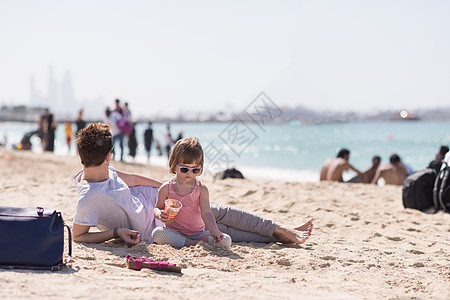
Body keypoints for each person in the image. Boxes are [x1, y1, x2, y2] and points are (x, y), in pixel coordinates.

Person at [72, 123, 313, 246]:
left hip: (168, 201)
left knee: (222, 212)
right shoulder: (88, 197)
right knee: (228, 232)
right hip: (161, 224)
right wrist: (115, 233)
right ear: (108, 155)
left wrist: (170, 188)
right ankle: (277, 236)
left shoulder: (105, 170)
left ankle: (280, 229)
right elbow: (78, 236)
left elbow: (134, 180)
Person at [152, 137, 232, 248]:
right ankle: (193, 244)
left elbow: (207, 213)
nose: (190, 173)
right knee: (157, 233)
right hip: (175, 232)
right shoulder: (166, 188)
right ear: (174, 164)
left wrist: (214, 231)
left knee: (226, 240)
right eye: (184, 169)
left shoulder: (201, 189)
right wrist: (160, 214)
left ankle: (188, 243)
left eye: (195, 170)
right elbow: (157, 207)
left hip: (198, 234)